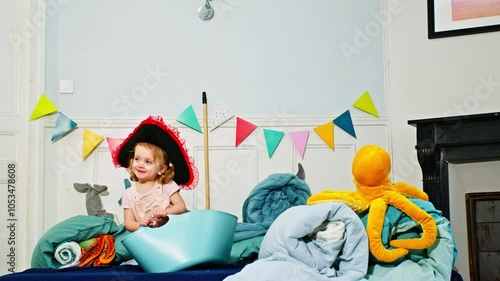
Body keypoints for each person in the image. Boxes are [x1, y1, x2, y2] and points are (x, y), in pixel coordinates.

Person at [112, 115, 199, 232]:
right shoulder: (128, 194)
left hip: (171, 231)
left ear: (161, 169)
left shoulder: (166, 185)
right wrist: (139, 224)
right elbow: (128, 222)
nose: (140, 164)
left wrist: (166, 211)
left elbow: (181, 206)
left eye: (148, 162)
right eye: (137, 159)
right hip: (147, 238)